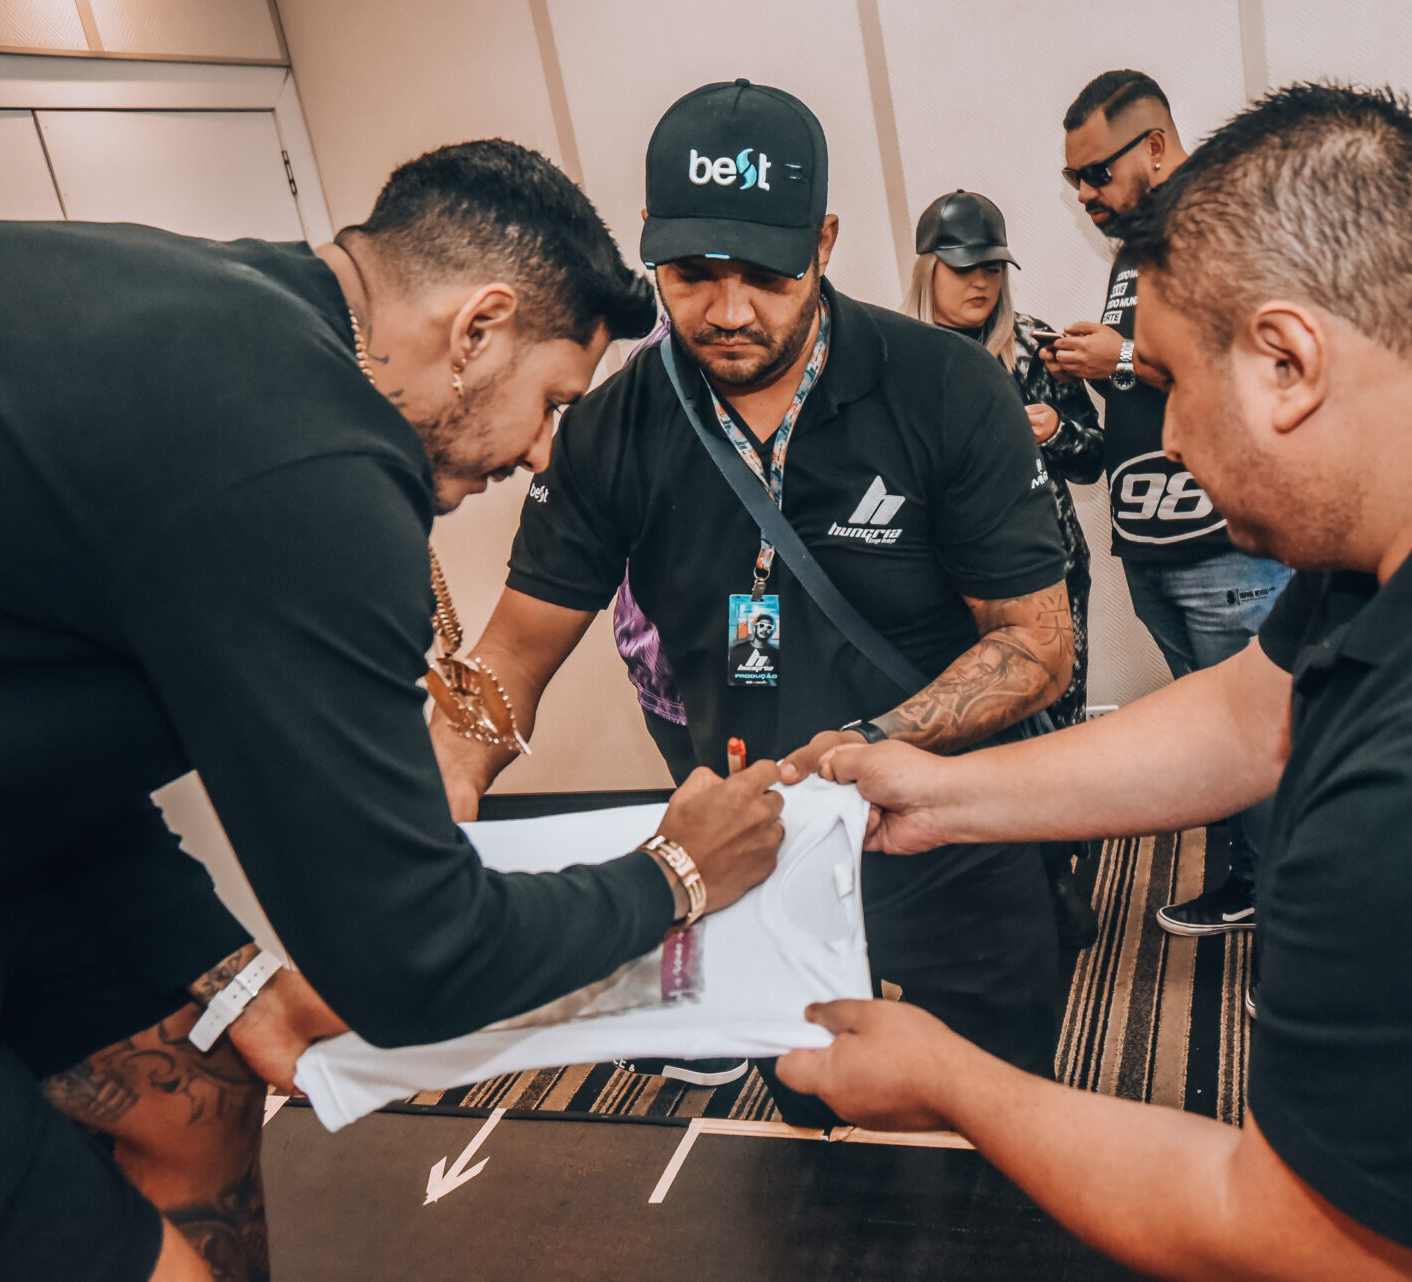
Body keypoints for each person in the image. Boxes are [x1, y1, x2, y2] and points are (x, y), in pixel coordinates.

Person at [0, 140, 787, 1282]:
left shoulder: (247, 328)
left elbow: (37, 711)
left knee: (202, 1091)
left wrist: (225, 965)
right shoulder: (304, 461)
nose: (546, 447)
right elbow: (413, 964)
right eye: (552, 399)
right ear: (478, 328)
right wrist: (676, 876)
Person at [782, 84, 1412, 1281]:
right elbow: (1252, 709)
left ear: (1286, 360)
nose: (1163, 439)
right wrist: (946, 793)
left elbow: (1298, 1237)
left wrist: (949, 1076)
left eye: (1167, 381)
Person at [432, 80, 1077, 1120]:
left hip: (951, 833)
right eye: (693, 273)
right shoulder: (608, 428)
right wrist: (446, 774)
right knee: (815, 1130)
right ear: (650, 240)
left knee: (999, 1127)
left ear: (824, 243)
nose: (729, 312)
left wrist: (862, 748)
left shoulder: (947, 388)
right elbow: (511, 653)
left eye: (767, 275)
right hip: (757, 858)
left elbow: (1037, 644)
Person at [1050, 69, 1293, 944]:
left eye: (1097, 173)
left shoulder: (1221, 224)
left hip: (1224, 546)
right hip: (1155, 541)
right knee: (1219, 741)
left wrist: (1117, 359)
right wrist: (1098, 363)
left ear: (1156, 146)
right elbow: (1157, 369)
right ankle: (1250, 885)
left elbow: (1251, 364)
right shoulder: (1135, 246)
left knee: (1261, 740)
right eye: (1074, 179)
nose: (1086, 194)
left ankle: (1294, 928)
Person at [902, 188, 1102, 944]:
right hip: (945, 586)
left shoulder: (1036, 348)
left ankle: (1057, 874)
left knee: (1059, 725)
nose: (980, 282)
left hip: (1052, 569)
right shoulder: (898, 360)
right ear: (928, 269)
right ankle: (997, 883)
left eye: (991, 267)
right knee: (975, 730)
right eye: (963, 267)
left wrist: (1055, 431)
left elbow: (1094, 458)